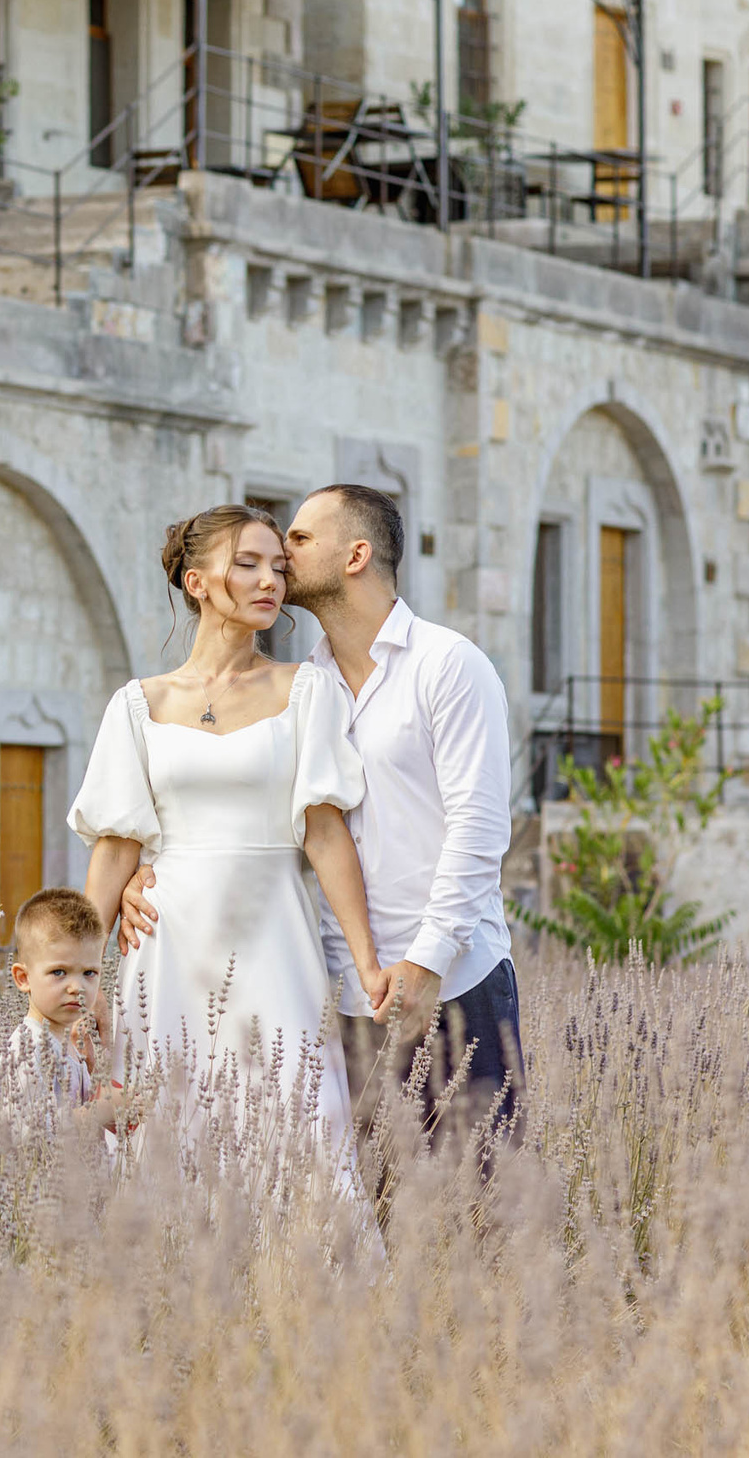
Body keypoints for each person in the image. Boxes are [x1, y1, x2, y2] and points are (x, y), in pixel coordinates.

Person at [122, 484, 520, 1147]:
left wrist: (425, 962)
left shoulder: (449, 665)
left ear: (356, 554)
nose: (282, 551)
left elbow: (478, 832)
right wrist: (148, 870)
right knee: (380, 1219)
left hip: (455, 983)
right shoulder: (306, 684)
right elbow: (260, 811)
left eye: (300, 540)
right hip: (346, 994)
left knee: (482, 1209)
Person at [72, 504, 391, 1153]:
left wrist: (368, 962)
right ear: (197, 583)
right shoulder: (137, 705)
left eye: (279, 566)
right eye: (247, 564)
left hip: (274, 939)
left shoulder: (307, 690)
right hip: (166, 947)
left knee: (299, 1128)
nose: (270, 579)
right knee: (167, 1135)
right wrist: (80, 981)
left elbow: (326, 835)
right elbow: (114, 850)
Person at [0, 887, 127, 1142]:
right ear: (23, 978)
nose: (77, 987)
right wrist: (94, 1114)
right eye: (59, 972)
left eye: (89, 973)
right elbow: (24, 1133)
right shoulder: (28, 1049)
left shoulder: (70, 1046)